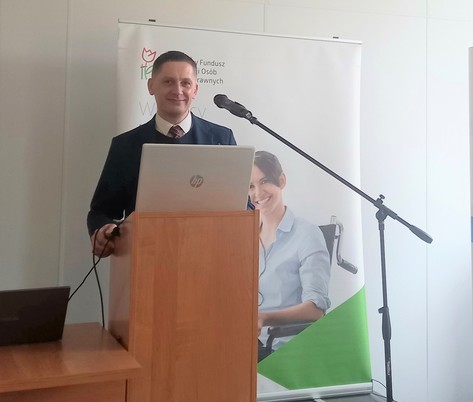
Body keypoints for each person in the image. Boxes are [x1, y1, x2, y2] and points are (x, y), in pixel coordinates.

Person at [88, 50, 236, 257]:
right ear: (151, 86)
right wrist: (103, 231)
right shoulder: (126, 145)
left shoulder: (222, 138)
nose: (178, 90)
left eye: (186, 83)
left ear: (195, 89)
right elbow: (101, 211)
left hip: (211, 256)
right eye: (168, 82)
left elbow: (242, 205)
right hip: (146, 257)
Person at [249, 151, 331, 360]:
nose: (257, 193)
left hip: (281, 349)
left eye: (264, 181)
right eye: (250, 186)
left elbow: (316, 308)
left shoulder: (307, 234)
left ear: (282, 180)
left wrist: (264, 318)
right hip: (245, 342)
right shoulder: (245, 235)